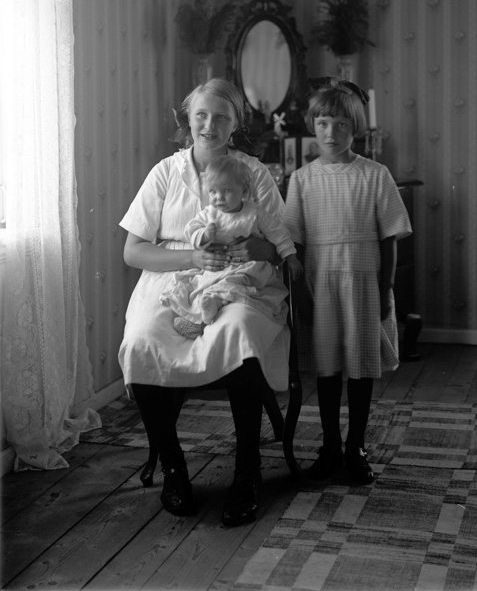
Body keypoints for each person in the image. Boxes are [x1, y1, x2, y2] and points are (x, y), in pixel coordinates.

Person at [119, 78, 294, 527]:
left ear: (235, 124)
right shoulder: (165, 172)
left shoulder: (253, 172)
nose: (209, 125)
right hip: (172, 277)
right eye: (201, 115)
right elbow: (133, 251)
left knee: (237, 331)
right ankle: (174, 467)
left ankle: (247, 471)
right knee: (141, 341)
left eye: (221, 117)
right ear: (188, 118)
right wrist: (191, 257)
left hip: (239, 278)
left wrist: (259, 248)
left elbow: (281, 242)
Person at [284, 78, 412, 484]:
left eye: (341, 124)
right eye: (323, 123)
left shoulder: (375, 175)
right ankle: (330, 446)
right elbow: (294, 245)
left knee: (359, 366)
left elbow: (389, 238)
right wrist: (301, 294)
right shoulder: (301, 180)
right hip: (320, 285)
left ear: (354, 127)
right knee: (327, 369)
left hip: (363, 284)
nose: (331, 133)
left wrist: (385, 289)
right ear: (313, 126)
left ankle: (356, 446)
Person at [159, 156, 303, 337]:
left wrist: (291, 258)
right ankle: (199, 316)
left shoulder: (255, 213)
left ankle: (208, 311)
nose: (218, 198)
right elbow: (190, 230)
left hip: (248, 268)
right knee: (200, 285)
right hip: (219, 266)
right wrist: (204, 235)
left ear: (244, 191)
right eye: (213, 191)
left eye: (226, 191)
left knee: (231, 284)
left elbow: (280, 234)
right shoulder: (209, 214)